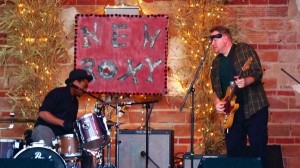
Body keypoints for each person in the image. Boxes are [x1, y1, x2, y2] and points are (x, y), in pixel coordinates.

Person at [209, 25, 269, 168]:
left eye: (214, 39)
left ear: (225, 38)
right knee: (234, 155)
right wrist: (217, 102)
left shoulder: (243, 49)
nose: (211, 43)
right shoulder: (215, 63)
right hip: (232, 114)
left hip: (254, 109)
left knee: (258, 152)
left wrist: (245, 81)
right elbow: (214, 90)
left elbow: (257, 72)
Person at [31, 68, 93, 167]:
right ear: (76, 82)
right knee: (48, 153)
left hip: (61, 137)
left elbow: (70, 124)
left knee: (86, 152)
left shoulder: (75, 102)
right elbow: (42, 113)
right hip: (45, 129)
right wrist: (63, 123)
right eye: (84, 87)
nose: (86, 90)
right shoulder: (57, 93)